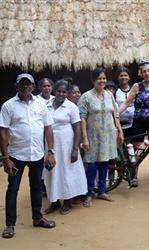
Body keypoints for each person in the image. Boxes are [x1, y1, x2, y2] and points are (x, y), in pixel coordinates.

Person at [0, 73, 56, 239]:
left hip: (37, 154)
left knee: (37, 187)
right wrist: (5, 158)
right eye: (22, 84)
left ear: (33, 87)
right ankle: (10, 224)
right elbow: (3, 132)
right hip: (16, 155)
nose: (25, 86)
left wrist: (50, 152)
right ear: (17, 87)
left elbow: (48, 128)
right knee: (13, 189)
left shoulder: (40, 104)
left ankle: (37, 218)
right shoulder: (8, 106)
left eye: (28, 84)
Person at [118, 59, 149, 187]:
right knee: (137, 150)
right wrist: (115, 114)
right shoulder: (137, 86)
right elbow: (126, 103)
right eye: (144, 71)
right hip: (139, 122)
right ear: (141, 73)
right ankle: (134, 176)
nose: (147, 73)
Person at [78, 67, 124, 207]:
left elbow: (115, 114)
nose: (102, 81)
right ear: (93, 80)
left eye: (104, 78)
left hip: (109, 135)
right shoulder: (86, 97)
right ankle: (89, 193)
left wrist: (119, 131)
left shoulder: (109, 95)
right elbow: (83, 118)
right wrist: (85, 138)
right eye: (99, 78)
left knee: (105, 163)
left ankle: (102, 191)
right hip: (93, 136)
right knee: (92, 165)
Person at [43, 80, 87, 215]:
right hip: (50, 144)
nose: (61, 94)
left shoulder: (71, 107)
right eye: (59, 91)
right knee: (52, 171)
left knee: (67, 171)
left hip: (67, 144)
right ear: (54, 91)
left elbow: (77, 129)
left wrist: (75, 149)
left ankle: (68, 200)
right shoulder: (47, 105)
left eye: (64, 91)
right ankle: (54, 201)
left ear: (68, 93)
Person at [37, 78, 55, 197]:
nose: (47, 88)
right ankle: (42, 187)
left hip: (53, 135)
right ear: (40, 88)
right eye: (44, 86)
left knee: (51, 161)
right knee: (40, 162)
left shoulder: (55, 99)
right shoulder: (36, 100)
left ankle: (52, 186)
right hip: (39, 136)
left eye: (49, 85)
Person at [115, 67, 135, 138]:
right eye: (121, 75)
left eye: (125, 75)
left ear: (129, 77)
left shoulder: (134, 89)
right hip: (119, 124)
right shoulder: (115, 90)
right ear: (117, 78)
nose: (123, 77)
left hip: (133, 123)